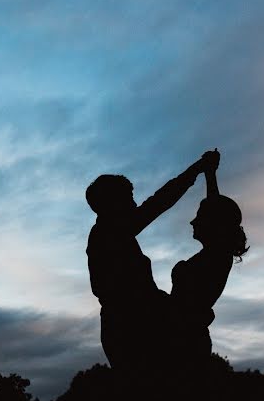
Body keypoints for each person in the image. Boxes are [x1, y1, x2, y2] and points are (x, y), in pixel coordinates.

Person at [85, 151, 219, 377]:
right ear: (112, 203)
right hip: (131, 332)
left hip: (131, 328)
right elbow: (159, 202)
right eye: (128, 198)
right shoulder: (110, 233)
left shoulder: (112, 235)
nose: (134, 203)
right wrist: (196, 170)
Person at [165, 151, 248, 368]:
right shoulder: (215, 255)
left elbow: (215, 206)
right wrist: (209, 174)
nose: (192, 222)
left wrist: (210, 174)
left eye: (199, 217)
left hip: (187, 345)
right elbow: (215, 207)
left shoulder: (217, 256)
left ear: (215, 224)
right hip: (182, 341)